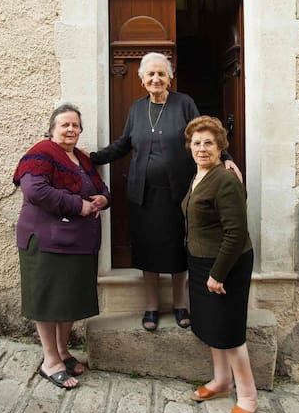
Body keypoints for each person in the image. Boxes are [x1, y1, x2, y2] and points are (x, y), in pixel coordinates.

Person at [89, 52, 241, 332]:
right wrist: (91, 158)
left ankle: (180, 304)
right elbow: (124, 144)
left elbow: (204, 133)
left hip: (178, 194)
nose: (156, 79)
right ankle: (151, 306)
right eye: (150, 74)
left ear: (170, 78)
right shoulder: (137, 109)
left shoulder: (184, 104)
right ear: (142, 79)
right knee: (148, 250)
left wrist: (227, 157)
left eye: (161, 74)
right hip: (144, 195)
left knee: (177, 250)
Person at [13, 103, 110, 390]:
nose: (71, 129)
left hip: (76, 242)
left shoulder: (81, 158)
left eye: (75, 125)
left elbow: (100, 189)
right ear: (52, 128)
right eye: (65, 124)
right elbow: (35, 190)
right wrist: (78, 205)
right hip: (45, 241)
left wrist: (103, 199)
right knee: (48, 301)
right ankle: (50, 361)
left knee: (66, 300)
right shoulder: (40, 153)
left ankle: (63, 351)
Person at [181, 116, 257, 413]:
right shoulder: (199, 175)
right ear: (190, 147)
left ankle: (248, 396)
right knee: (212, 327)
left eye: (208, 143)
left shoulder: (225, 179)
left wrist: (218, 274)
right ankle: (221, 382)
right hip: (202, 261)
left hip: (227, 264)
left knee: (229, 332)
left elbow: (235, 232)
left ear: (220, 147)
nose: (201, 148)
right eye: (196, 143)